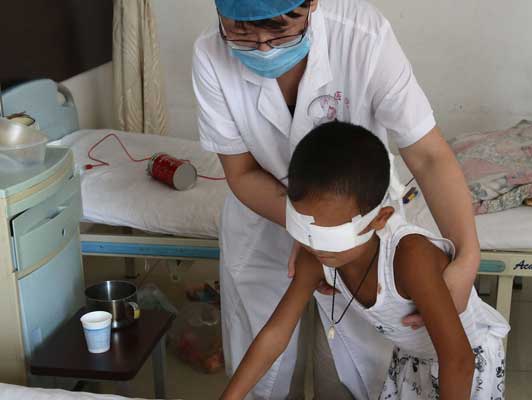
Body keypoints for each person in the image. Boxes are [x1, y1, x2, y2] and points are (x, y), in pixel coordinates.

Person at [193, 0, 481, 398]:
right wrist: (310, 227)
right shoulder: (209, 53)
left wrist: (468, 256)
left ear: (311, 3)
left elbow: (429, 156)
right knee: (270, 382)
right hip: (268, 224)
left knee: (353, 374)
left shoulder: (363, 37)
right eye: (240, 30)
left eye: (280, 28)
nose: (262, 46)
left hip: (356, 225)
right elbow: (241, 173)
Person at [220, 121, 509, 400]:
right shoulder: (315, 256)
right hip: (414, 358)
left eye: (331, 235)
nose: (317, 245)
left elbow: (458, 360)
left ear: (380, 219)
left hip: (466, 362)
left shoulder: (410, 258)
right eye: (306, 229)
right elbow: (276, 333)